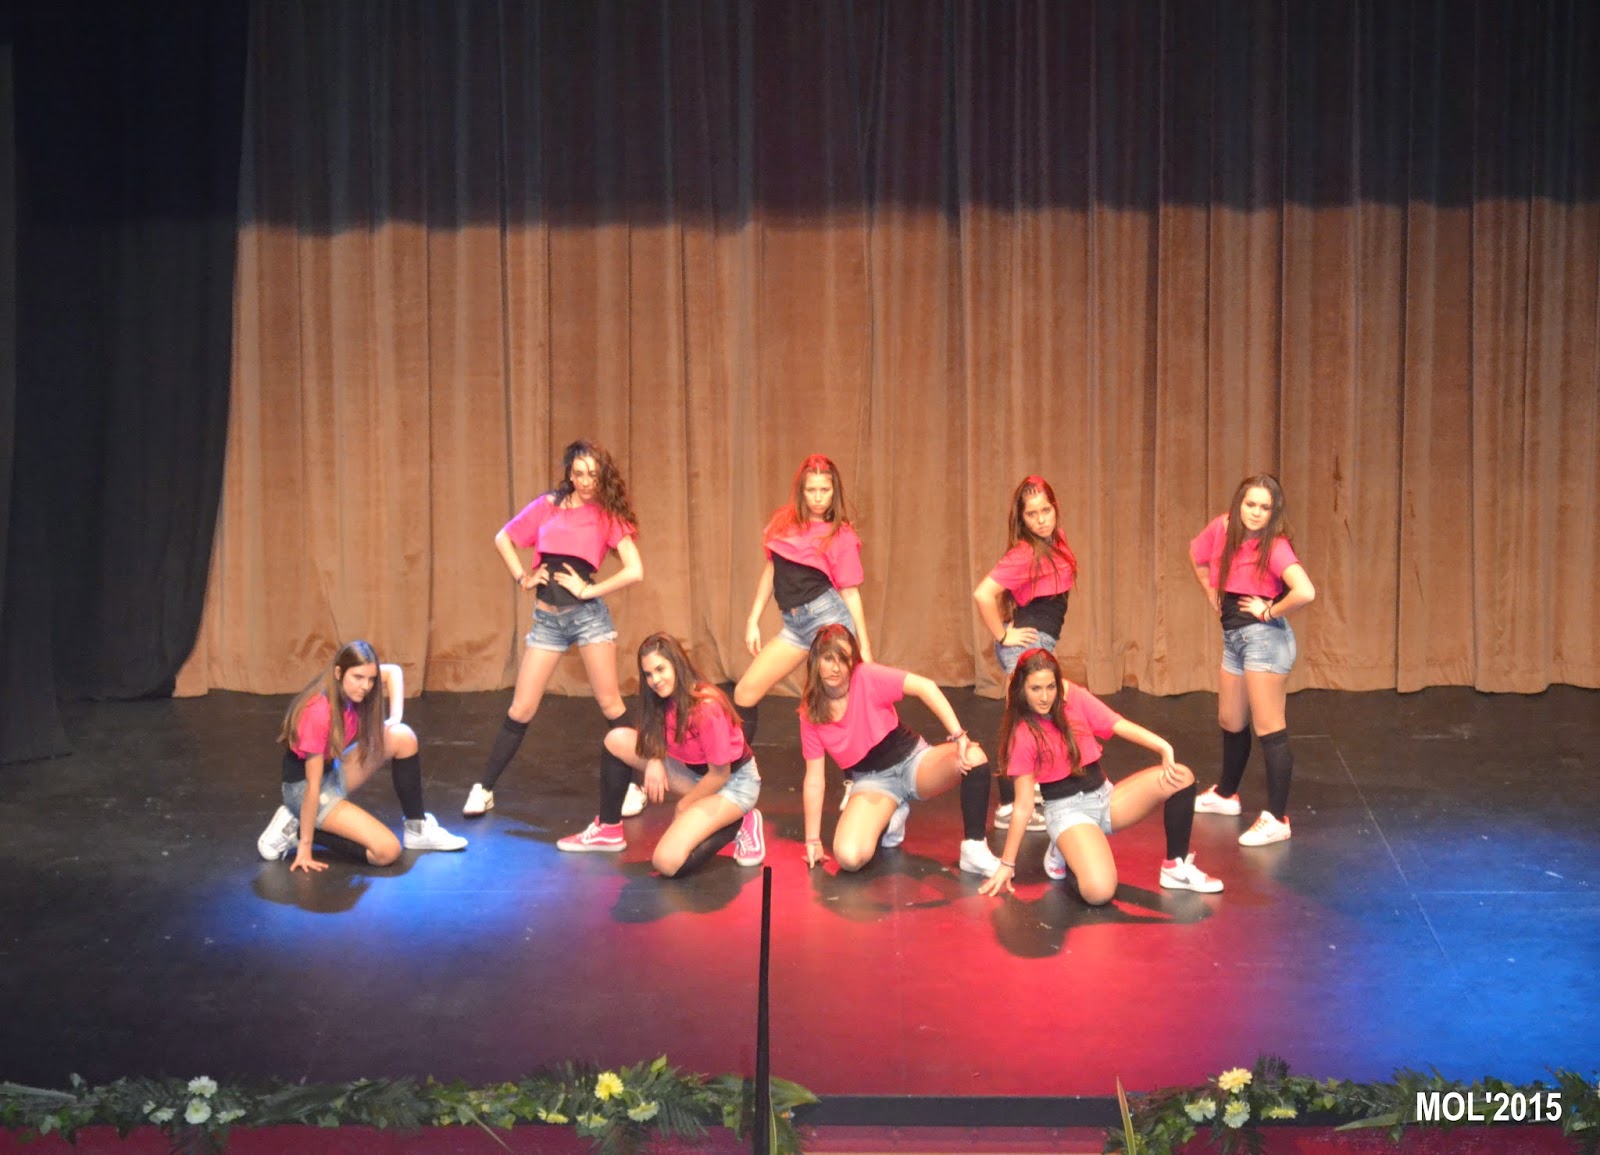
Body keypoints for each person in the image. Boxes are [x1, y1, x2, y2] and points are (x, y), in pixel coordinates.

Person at [463, 440, 644, 817]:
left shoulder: (606, 515)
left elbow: (635, 570)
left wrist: (590, 590)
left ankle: (637, 784)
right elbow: (503, 538)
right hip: (547, 621)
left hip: (587, 618)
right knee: (521, 708)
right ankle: (485, 787)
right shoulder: (548, 506)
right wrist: (522, 577)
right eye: (579, 474)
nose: (586, 481)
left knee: (611, 704)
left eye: (593, 474)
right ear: (569, 474)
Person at [978, 648, 1222, 901]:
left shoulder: (1074, 697)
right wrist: (1007, 864)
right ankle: (1066, 849)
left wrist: (1163, 746)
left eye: (1051, 687)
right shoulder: (1022, 734)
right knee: (1099, 892)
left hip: (1105, 797)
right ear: (1022, 689)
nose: (1045, 697)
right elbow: (1023, 805)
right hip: (1067, 812)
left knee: (1181, 777)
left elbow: (1116, 723)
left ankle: (1175, 867)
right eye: (1035, 689)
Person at [798, 624, 999, 875]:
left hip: (913, 761)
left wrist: (959, 735)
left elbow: (926, 687)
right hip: (872, 782)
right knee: (849, 857)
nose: (836, 668)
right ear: (816, 660)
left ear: (853, 662)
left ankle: (974, 849)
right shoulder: (811, 712)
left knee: (974, 757)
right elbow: (814, 780)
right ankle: (891, 817)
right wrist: (812, 840)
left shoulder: (866, 676)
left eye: (844, 660)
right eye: (828, 659)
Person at [558, 633, 765, 875]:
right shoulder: (662, 697)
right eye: (648, 674)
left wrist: (685, 805)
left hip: (731, 785)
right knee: (616, 740)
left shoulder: (706, 708)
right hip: (693, 773)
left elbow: (720, 775)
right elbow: (653, 734)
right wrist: (654, 760)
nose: (655, 680)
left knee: (666, 862)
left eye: (660, 669)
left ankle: (739, 822)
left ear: (676, 664)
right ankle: (608, 829)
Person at [257, 640, 467, 869]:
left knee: (402, 736)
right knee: (387, 851)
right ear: (339, 673)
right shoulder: (317, 712)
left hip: (332, 771)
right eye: (358, 677)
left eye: (371, 679)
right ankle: (297, 829)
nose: (365, 686)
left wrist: (395, 717)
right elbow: (313, 786)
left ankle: (417, 829)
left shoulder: (356, 686)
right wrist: (305, 846)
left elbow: (393, 672)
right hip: (305, 789)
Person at [1189, 473, 1316, 846]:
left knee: (1269, 728)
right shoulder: (1222, 527)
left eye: (1265, 507)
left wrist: (1270, 611)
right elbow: (1197, 556)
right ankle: (1226, 795)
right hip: (1235, 639)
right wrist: (1211, 591)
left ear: (1274, 512)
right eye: (1250, 504)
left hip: (1265, 641)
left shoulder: (1274, 546)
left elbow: (1305, 590)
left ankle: (1277, 819)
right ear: (1239, 503)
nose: (1256, 513)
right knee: (1231, 720)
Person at [733, 455, 871, 761]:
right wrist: (753, 619)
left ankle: (864, 775)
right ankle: (736, 772)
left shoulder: (840, 534)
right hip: (795, 627)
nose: (818, 497)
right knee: (745, 692)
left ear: (834, 491)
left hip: (828, 621)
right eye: (811, 490)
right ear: (801, 491)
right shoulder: (783, 523)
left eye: (825, 490)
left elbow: (850, 593)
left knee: (845, 705)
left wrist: (864, 646)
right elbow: (771, 571)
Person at [972, 475, 1078, 832]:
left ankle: (1026, 791)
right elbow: (983, 594)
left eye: (1046, 510)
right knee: (1021, 724)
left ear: (1055, 508)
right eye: (1032, 514)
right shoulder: (1025, 552)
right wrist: (1004, 635)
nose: (1041, 519)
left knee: (1030, 721)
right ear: (1022, 518)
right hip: (1027, 646)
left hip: (1041, 644)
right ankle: (1009, 805)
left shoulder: (1056, 541)